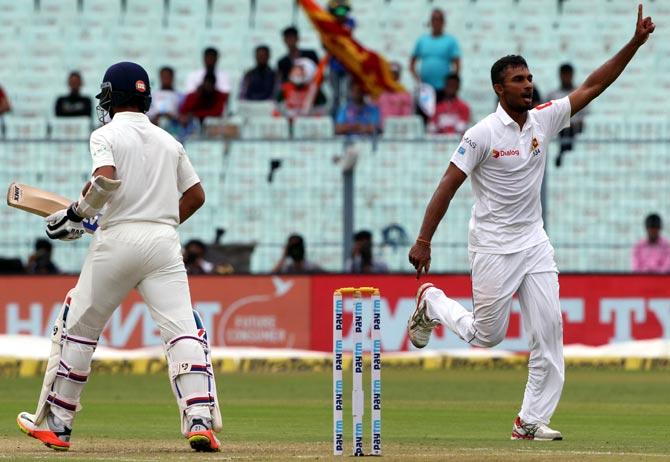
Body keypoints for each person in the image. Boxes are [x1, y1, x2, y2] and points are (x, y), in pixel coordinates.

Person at [406, 6, 654, 441]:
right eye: (518, 80)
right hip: (492, 246)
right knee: (488, 336)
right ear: (499, 88)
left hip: (534, 241)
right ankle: (431, 302)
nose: (528, 85)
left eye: (529, 78)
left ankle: (529, 419)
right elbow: (448, 184)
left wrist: (633, 43)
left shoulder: (542, 119)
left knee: (549, 329)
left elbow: (593, 85)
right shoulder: (481, 134)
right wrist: (424, 239)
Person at [17, 61, 222, 452]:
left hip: (117, 240)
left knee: (77, 326)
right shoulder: (169, 140)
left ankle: (58, 426)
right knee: (182, 329)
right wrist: (157, 218)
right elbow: (196, 196)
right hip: (164, 242)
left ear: (111, 97)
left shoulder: (105, 134)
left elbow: (105, 180)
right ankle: (200, 420)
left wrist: (77, 214)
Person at [410, 9, 461, 101]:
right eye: (434, 19)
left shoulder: (450, 41)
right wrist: (417, 79)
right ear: (430, 22)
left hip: (443, 89)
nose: (436, 22)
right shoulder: (422, 40)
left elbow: (457, 65)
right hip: (425, 88)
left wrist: (452, 84)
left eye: (439, 19)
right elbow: (412, 63)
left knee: (441, 113)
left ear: (443, 22)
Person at [547, 63, 588, 166]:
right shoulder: (552, 95)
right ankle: (563, 153)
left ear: (572, 75)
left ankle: (562, 153)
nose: (566, 78)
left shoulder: (580, 94)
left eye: (568, 75)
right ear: (560, 75)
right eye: (564, 75)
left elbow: (584, 116)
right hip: (558, 129)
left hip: (575, 130)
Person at [327, 0, 355, 116]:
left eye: (343, 10)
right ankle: (334, 119)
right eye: (338, 11)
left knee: (348, 94)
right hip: (334, 64)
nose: (341, 13)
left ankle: (348, 117)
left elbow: (346, 34)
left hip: (347, 63)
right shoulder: (328, 24)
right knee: (335, 95)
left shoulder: (350, 22)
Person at [375, 62, 413, 126]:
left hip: (397, 130)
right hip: (380, 129)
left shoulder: (404, 94)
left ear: (398, 75)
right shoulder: (380, 92)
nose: (393, 76)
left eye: (395, 74)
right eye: (391, 74)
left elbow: (406, 115)